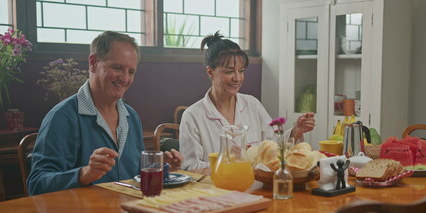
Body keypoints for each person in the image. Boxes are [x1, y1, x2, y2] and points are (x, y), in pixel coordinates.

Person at [28, 31, 182, 195]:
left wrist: (159, 168)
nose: (125, 78)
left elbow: (136, 176)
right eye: (117, 68)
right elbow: (37, 185)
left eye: (131, 72)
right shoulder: (61, 117)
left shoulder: (131, 116)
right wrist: (84, 174)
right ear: (93, 63)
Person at [179, 31, 315, 170]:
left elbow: (272, 149)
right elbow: (190, 167)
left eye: (241, 71)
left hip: (254, 186)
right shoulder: (193, 116)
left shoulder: (252, 104)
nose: (237, 78)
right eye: (229, 72)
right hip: (216, 189)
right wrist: (228, 159)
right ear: (210, 72)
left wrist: (295, 132)